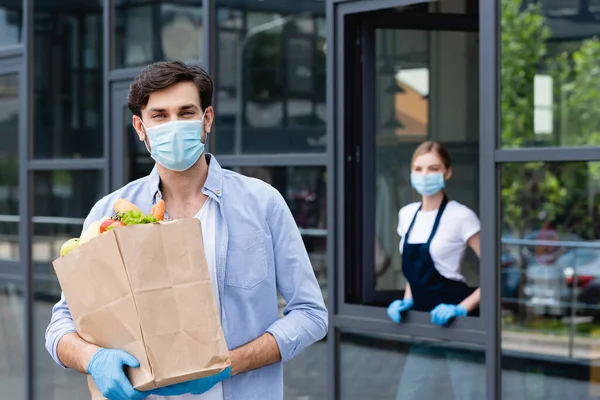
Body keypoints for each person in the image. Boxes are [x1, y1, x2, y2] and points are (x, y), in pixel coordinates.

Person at [45, 61, 328, 400]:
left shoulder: (262, 203)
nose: (174, 125)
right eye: (160, 115)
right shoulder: (109, 213)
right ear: (140, 127)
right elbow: (62, 323)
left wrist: (229, 364)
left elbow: (311, 315)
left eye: (186, 112)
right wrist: (95, 360)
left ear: (206, 119)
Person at [386, 141, 483, 400]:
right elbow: (415, 271)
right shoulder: (406, 215)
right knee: (410, 394)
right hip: (423, 323)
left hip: (457, 323)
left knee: (468, 394)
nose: (425, 175)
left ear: (447, 172)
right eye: (418, 169)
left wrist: (461, 309)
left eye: (433, 168)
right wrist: (407, 301)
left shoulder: (462, 216)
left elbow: (496, 273)